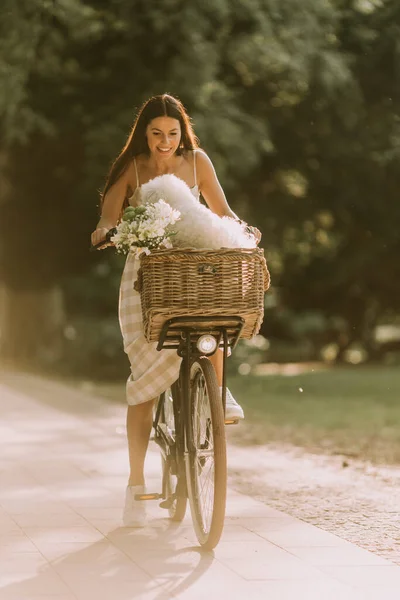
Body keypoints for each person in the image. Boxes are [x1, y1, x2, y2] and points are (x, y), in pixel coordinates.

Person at [91, 94, 261, 527]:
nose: (165, 142)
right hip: (149, 275)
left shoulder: (197, 161)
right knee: (145, 386)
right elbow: (106, 220)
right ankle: (134, 482)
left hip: (193, 265)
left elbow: (222, 211)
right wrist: (110, 233)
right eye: (156, 133)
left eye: (173, 133)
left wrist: (245, 231)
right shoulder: (131, 169)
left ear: (183, 133)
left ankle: (217, 394)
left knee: (217, 317)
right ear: (144, 134)